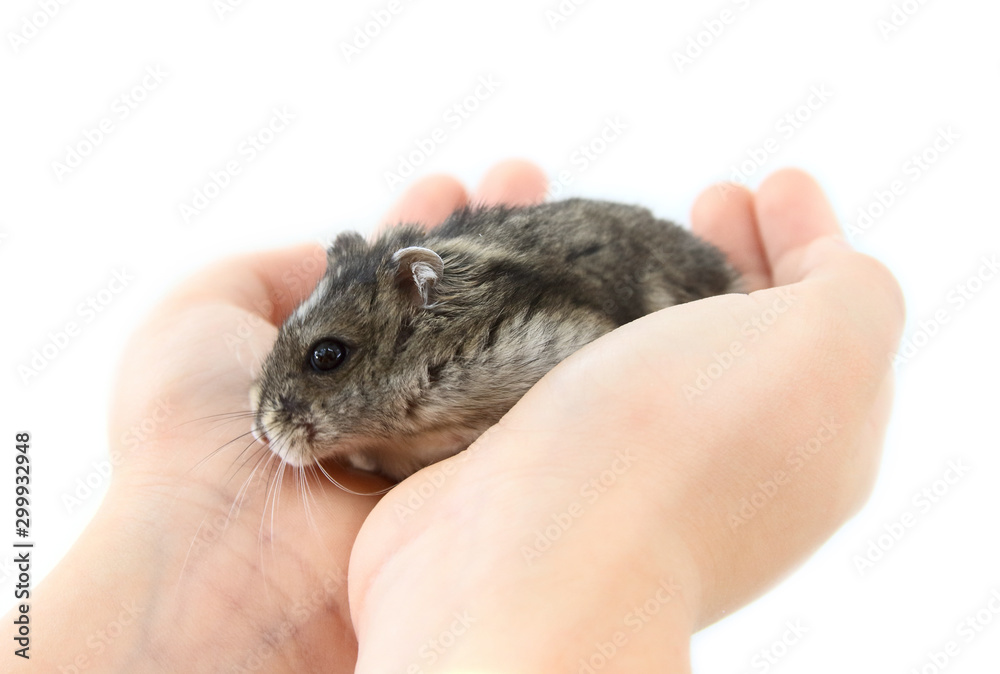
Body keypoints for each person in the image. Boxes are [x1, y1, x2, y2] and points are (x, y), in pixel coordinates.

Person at [12, 161, 903, 673]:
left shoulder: (481, 343)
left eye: (327, 359)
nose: (274, 414)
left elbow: (579, 339)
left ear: (418, 300)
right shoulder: (392, 383)